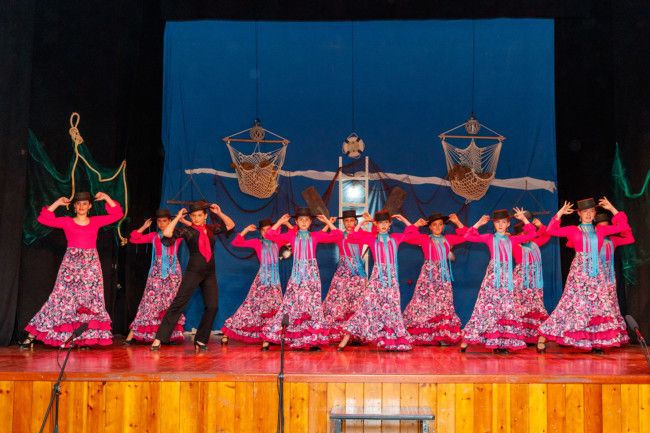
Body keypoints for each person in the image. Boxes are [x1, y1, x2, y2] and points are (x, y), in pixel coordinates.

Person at [20, 191, 123, 348]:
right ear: (74, 207)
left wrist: (107, 198)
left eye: (84, 204)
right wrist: (57, 203)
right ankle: (32, 335)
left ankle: (84, 339)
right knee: (59, 299)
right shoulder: (67, 222)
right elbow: (43, 219)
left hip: (91, 267)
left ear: (89, 206)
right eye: (78, 204)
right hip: (71, 266)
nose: (81, 206)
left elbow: (117, 214)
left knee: (89, 301)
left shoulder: (95, 221)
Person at [540, 197, 630, 352]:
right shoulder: (573, 230)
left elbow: (623, 227)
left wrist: (612, 208)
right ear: (579, 214)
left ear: (594, 214)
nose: (588, 214)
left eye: (591, 211)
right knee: (572, 305)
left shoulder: (601, 230)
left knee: (598, 306)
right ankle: (546, 335)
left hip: (597, 273)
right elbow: (550, 231)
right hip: (579, 273)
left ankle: (596, 341)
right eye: (585, 212)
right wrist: (560, 213)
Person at [150, 201, 235, 352]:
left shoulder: (210, 229)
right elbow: (168, 234)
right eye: (194, 216)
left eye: (199, 215)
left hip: (209, 272)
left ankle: (200, 340)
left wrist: (219, 213)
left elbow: (230, 225)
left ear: (205, 216)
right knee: (179, 303)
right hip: (194, 271)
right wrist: (178, 218)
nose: (196, 218)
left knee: (212, 306)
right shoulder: (188, 231)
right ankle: (159, 338)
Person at [261, 208, 340, 350]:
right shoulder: (292, 236)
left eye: (306, 220)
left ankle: (313, 340)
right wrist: (280, 221)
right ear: (296, 222)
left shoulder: (315, 236)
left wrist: (327, 222)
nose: (304, 222)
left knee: (313, 307)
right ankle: (289, 336)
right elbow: (269, 235)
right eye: (301, 220)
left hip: (312, 277)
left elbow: (338, 235)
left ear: (310, 222)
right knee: (291, 305)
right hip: (297, 277)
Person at [460, 207, 535, 353]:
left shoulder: (512, 239)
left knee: (505, 309)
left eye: (504, 222)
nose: (500, 225)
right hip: (492, 279)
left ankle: (502, 343)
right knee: (485, 308)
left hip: (506, 280)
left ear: (508, 224)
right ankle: (469, 338)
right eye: (497, 222)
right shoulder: (489, 238)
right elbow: (467, 236)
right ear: (494, 224)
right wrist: (478, 224)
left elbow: (532, 233)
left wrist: (524, 219)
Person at [337, 210, 414, 352]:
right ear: (376, 225)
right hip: (377, 280)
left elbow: (413, 233)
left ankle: (391, 340)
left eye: (386, 223)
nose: (383, 225)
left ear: (389, 224)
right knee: (366, 306)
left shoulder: (395, 238)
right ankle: (345, 338)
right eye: (380, 223)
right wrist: (362, 223)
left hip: (391, 281)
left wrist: (403, 219)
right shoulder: (372, 238)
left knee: (392, 310)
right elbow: (352, 237)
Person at [221, 217, 292, 349]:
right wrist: (246, 230)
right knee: (250, 307)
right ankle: (228, 332)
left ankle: (267, 336)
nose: (266, 232)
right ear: (260, 232)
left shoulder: (278, 241)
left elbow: (293, 234)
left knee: (273, 309)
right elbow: (236, 242)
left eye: (268, 230)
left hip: (274, 283)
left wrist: (286, 223)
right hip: (261, 281)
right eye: (263, 230)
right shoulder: (257, 242)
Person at [401, 212, 467, 345]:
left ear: (443, 226)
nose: (437, 227)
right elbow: (407, 237)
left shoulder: (448, 239)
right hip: (428, 276)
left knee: (443, 305)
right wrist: (415, 225)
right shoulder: (425, 239)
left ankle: (441, 335)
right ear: (430, 227)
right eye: (434, 225)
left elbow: (466, 236)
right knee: (425, 304)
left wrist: (457, 222)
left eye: (440, 224)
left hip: (443, 277)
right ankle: (425, 334)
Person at [125, 209, 185, 344]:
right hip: (157, 273)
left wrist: (180, 219)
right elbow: (133, 238)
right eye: (159, 221)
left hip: (173, 273)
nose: (162, 224)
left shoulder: (178, 235)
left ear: (170, 221)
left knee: (171, 302)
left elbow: (194, 230)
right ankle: (139, 333)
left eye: (165, 221)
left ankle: (170, 335)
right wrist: (144, 227)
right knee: (150, 302)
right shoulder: (154, 236)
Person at [321, 210, 368, 338]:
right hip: (342, 271)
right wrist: (327, 223)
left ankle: (354, 332)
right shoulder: (339, 235)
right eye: (346, 221)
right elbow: (322, 237)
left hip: (357, 272)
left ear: (355, 222)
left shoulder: (361, 234)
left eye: (352, 220)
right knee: (338, 300)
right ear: (343, 223)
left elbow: (376, 235)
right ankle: (338, 331)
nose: (349, 223)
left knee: (357, 301)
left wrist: (370, 221)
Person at [510, 215, 551, 351]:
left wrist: (540, 226)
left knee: (534, 307)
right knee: (520, 307)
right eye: (523, 234)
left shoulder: (534, 244)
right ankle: (519, 335)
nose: (525, 236)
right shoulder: (514, 244)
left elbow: (546, 236)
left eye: (527, 233)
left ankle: (532, 336)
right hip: (521, 279)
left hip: (534, 280)